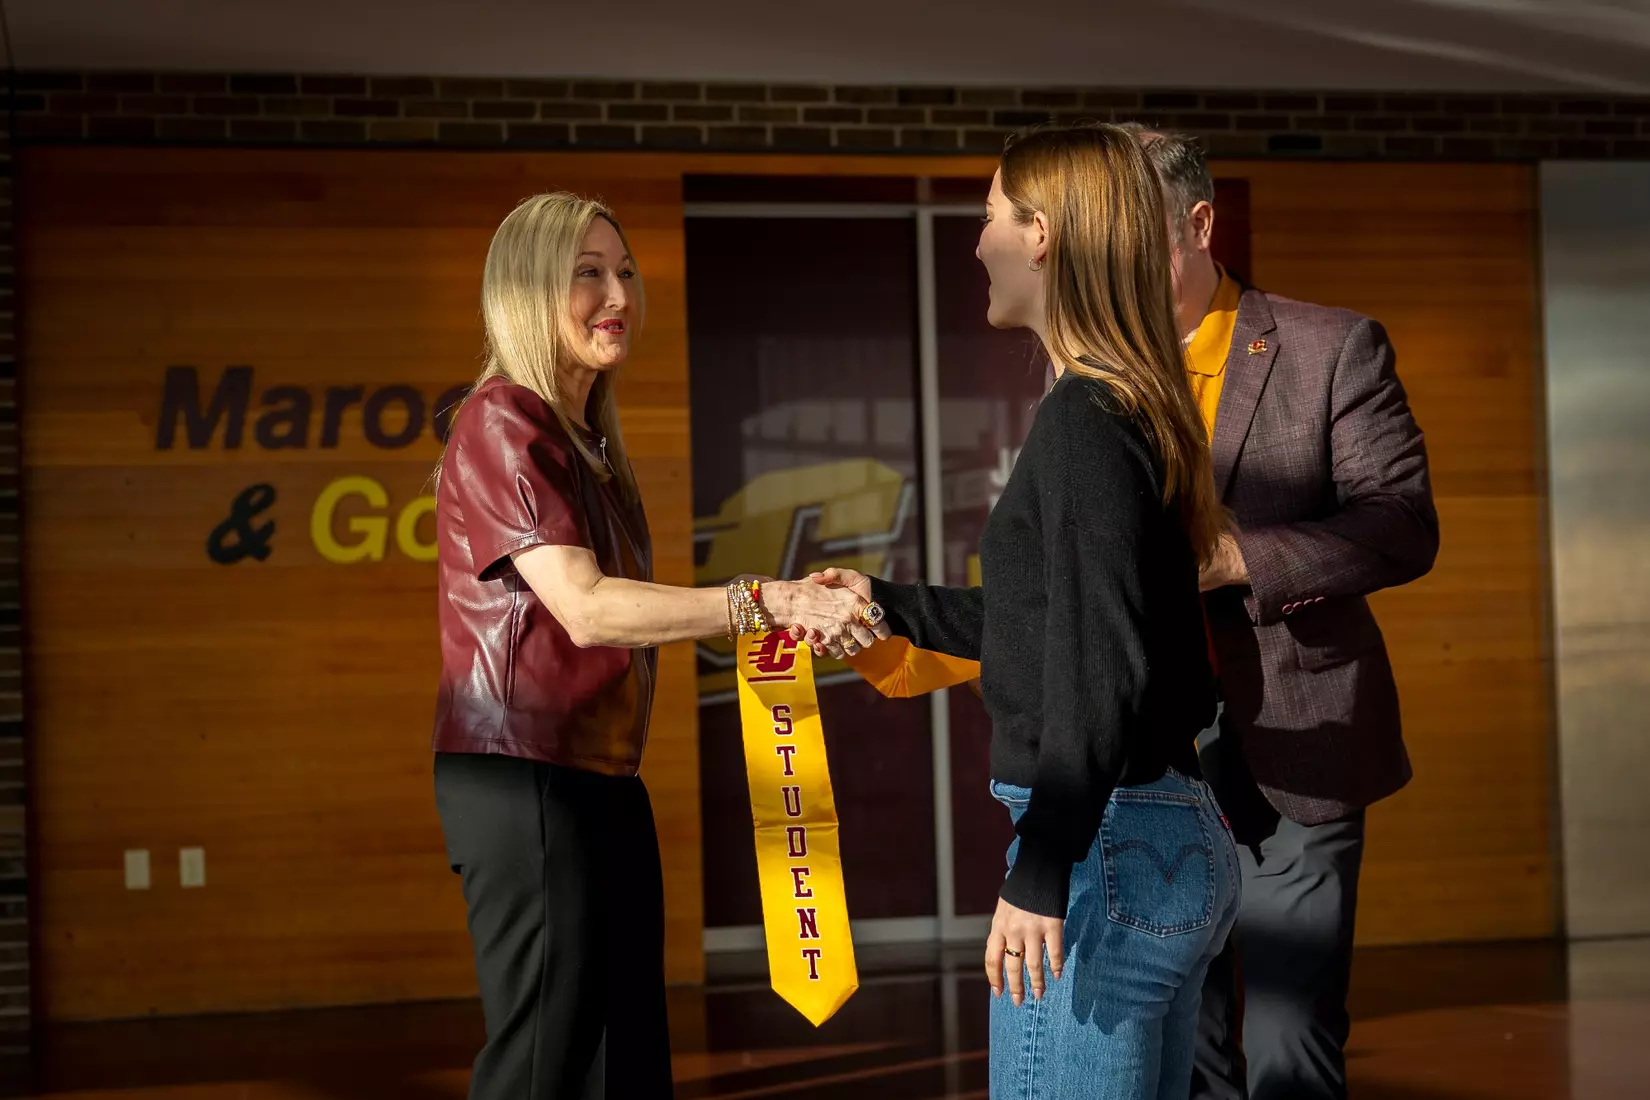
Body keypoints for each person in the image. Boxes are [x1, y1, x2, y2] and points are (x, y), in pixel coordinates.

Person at [815, 124, 1241, 1098]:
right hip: (1158, 833)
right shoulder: (1120, 403)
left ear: (1041, 235)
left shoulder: (1086, 416)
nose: (977, 244)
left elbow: (1099, 660)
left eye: (989, 217)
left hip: (1107, 848)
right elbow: (1057, 618)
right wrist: (887, 603)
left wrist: (1041, 866)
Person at [430, 193, 884, 1100]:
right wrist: (764, 600)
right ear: (526, 291)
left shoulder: (588, 440)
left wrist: (774, 605)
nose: (619, 295)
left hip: (601, 779)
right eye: (587, 274)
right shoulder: (503, 419)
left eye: (626, 271)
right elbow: (587, 609)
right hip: (526, 778)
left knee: (627, 1062)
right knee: (543, 1067)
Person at [1123, 127, 1440, 1100]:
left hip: (1302, 741)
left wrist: (1233, 558)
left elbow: (1401, 526)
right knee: (1186, 1043)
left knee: (1290, 1039)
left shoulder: (1331, 346)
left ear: (1198, 226)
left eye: (1128, 239)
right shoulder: (1087, 369)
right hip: (1149, 752)